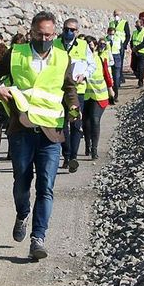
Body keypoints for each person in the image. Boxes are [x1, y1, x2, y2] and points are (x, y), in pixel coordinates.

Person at [0, 11, 79, 262]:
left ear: (54, 34)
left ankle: (38, 238)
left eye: (49, 34)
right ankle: (22, 213)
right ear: (31, 32)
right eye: (39, 34)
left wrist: (73, 106)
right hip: (22, 130)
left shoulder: (62, 57)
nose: (44, 38)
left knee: (46, 186)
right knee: (21, 183)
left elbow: (69, 87)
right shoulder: (17, 53)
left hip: (51, 132)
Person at [55, 18, 93, 173]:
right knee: (62, 125)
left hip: (76, 93)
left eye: (72, 30)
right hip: (59, 92)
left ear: (77, 31)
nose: (69, 32)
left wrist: (83, 74)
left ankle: (73, 158)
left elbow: (92, 65)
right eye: (66, 29)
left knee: (75, 123)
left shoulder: (83, 46)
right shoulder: (55, 44)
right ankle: (66, 153)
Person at [82, 36, 115, 160]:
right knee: (85, 122)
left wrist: (111, 89)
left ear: (95, 46)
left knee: (95, 120)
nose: (89, 48)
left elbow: (106, 74)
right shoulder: (80, 59)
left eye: (91, 45)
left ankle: (94, 149)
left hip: (99, 96)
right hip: (84, 96)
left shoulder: (100, 59)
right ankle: (87, 144)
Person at [106, 13, 130, 100]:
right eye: (110, 34)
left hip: (117, 58)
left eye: (113, 34)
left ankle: (115, 95)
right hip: (108, 59)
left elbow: (127, 35)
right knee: (109, 77)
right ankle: (110, 94)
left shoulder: (118, 40)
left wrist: (124, 45)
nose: (111, 36)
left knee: (116, 77)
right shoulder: (105, 40)